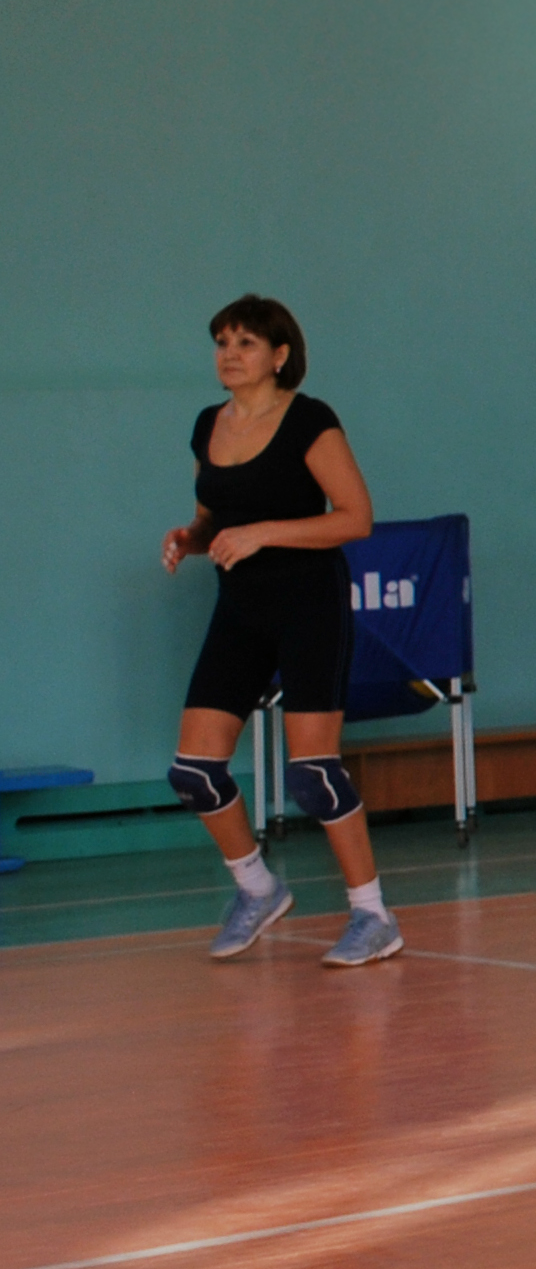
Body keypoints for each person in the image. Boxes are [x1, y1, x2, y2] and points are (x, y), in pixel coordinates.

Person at [159, 296, 404, 969]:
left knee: (313, 775)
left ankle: (373, 915)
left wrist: (264, 532)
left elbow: (355, 518)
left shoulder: (309, 420)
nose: (229, 354)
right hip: (240, 609)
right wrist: (190, 539)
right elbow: (213, 519)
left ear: (279, 355)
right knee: (193, 772)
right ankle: (257, 888)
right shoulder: (208, 424)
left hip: (309, 605)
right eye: (221, 342)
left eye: (245, 342)